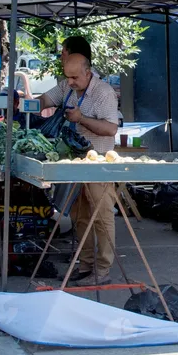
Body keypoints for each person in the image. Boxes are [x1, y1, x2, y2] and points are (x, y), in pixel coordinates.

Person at [38, 53, 120, 287]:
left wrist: (81, 118)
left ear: (88, 72)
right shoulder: (67, 87)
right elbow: (45, 99)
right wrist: (29, 103)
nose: (71, 81)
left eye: (75, 77)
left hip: (100, 164)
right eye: (68, 77)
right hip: (74, 164)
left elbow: (111, 129)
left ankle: (103, 270)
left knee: (102, 216)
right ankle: (85, 265)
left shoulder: (104, 93)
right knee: (79, 215)